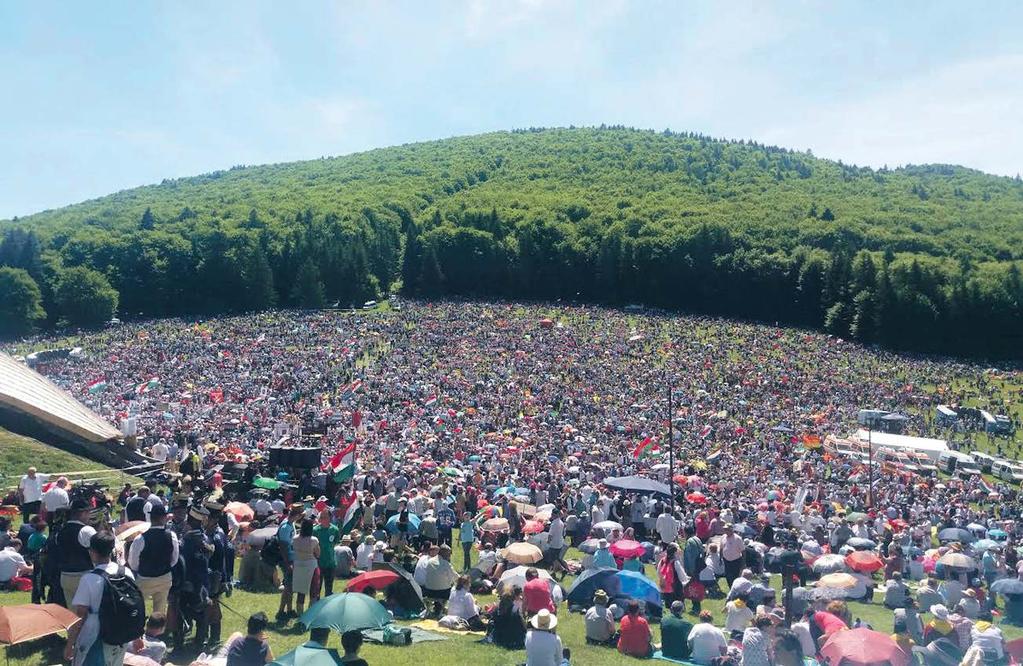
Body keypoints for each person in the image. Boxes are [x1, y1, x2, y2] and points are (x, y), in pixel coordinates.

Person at [64, 531, 138, 666]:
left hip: (95, 635)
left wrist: (70, 644)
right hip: (122, 632)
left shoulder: (89, 578)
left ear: (92, 551)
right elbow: (132, 604)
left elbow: (80, 616)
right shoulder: (126, 572)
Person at [128, 502, 179, 615]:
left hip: (145, 578)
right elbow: (174, 559)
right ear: (164, 518)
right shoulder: (172, 536)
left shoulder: (140, 539)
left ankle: (139, 628)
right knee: (160, 610)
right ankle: (158, 630)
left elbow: (133, 563)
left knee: (139, 608)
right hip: (165, 576)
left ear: (150, 518)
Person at [56, 498, 98, 607]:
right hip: (84, 575)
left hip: (65, 575)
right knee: (89, 611)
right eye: (88, 513)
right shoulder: (87, 530)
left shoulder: (60, 530)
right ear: (83, 513)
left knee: (73, 614)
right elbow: (96, 553)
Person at [276, 504, 303, 621]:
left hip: (292, 558)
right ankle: (281, 611)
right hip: (287, 559)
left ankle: (289, 610)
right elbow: (283, 545)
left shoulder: (291, 523)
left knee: (290, 587)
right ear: (297, 514)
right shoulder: (285, 527)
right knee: (288, 587)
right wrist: (288, 563)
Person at [292, 518, 320, 616]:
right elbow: (318, 553)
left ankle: (300, 614)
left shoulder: (295, 538)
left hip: (298, 564)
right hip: (311, 565)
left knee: (301, 591)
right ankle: (311, 614)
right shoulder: (314, 540)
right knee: (313, 590)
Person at [313, 510, 340, 595]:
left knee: (329, 588)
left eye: (325, 517)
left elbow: (335, 542)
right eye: (321, 517)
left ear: (330, 518)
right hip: (319, 562)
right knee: (317, 587)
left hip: (330, 562)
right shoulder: (315, 530)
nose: (322, 519)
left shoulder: (335, 529)